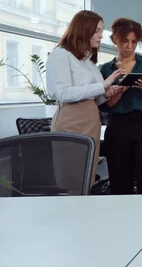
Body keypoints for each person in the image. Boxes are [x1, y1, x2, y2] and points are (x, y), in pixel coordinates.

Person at [46, 10, 125, 188]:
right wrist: (102, 85)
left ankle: (84, 211)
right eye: (97, 30)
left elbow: (93, 98)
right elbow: (63, 94)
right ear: (83, 29)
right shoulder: (60, 54)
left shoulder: (87, 60)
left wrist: (107, 92)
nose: (100, 36)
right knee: (71, 178)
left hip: (91, 120)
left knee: (87, 177)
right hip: (71, 121)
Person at [100, 17, 142, 195]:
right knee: (120, 181)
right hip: (118, 126)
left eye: (134, 42)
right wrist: (124, 88)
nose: (129, 46)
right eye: (124, 41)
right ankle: (122, 220)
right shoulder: (106, 69)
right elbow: (107, 105)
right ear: (114, 40)